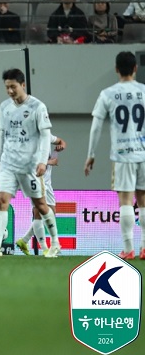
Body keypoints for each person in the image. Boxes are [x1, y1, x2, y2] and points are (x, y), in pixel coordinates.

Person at [0, 68, 61, 257]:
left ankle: (55, 243)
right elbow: (2, 134)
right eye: (7, 87)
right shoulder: (4, 107)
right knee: (1, 200)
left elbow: (44, 136)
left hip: (29, 165)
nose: (10, 91)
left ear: (23, 85)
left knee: (41, 205)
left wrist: (42, 161)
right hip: (8, 163)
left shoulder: (38, 107)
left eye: (13, 87)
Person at [84, 51, 145, 260]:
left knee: (126, 201)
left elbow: (96, 127)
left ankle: (128, 249)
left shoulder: (107, 94)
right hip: (144, 153)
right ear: (135, 68)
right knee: (144, 200)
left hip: (122, 155)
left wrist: (91, 154)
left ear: (116, 69)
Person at [16, 135, 67, 256]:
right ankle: (45, 248)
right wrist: (49, 161)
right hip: (35, 180)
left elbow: (61, 141)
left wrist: (58, 149)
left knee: (50, 214)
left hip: (47, 183)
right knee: (39, 213)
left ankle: (24, 240)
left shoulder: (47, 136)